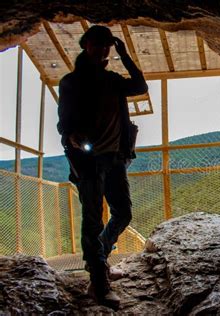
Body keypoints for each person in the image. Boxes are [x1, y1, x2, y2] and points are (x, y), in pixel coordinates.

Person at [57, 25, 148, 309]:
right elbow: (64, 122)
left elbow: (140, 86)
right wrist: (71, 135)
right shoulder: (71, 82)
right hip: (88, 160)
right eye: (98, 44)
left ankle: (101, 259)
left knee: (123, 213)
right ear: (87, 46)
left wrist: (125, 54)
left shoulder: (112, 80)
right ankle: (98, 282)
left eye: (108, 45)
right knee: (93, 220)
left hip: (114, 158)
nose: (103, 49)